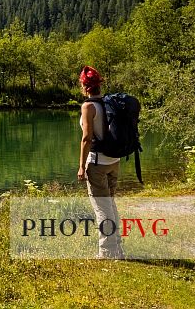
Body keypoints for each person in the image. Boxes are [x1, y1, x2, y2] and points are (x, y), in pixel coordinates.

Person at [77, 65, 123, 259]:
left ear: (84, 86)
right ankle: (117, 248)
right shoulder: (107, 103)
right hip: (114, 160)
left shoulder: (88, 106)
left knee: (102, 208)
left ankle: (106, 252)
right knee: (110, 204)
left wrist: (81, 166)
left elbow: (87, 138)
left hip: (97, 163)